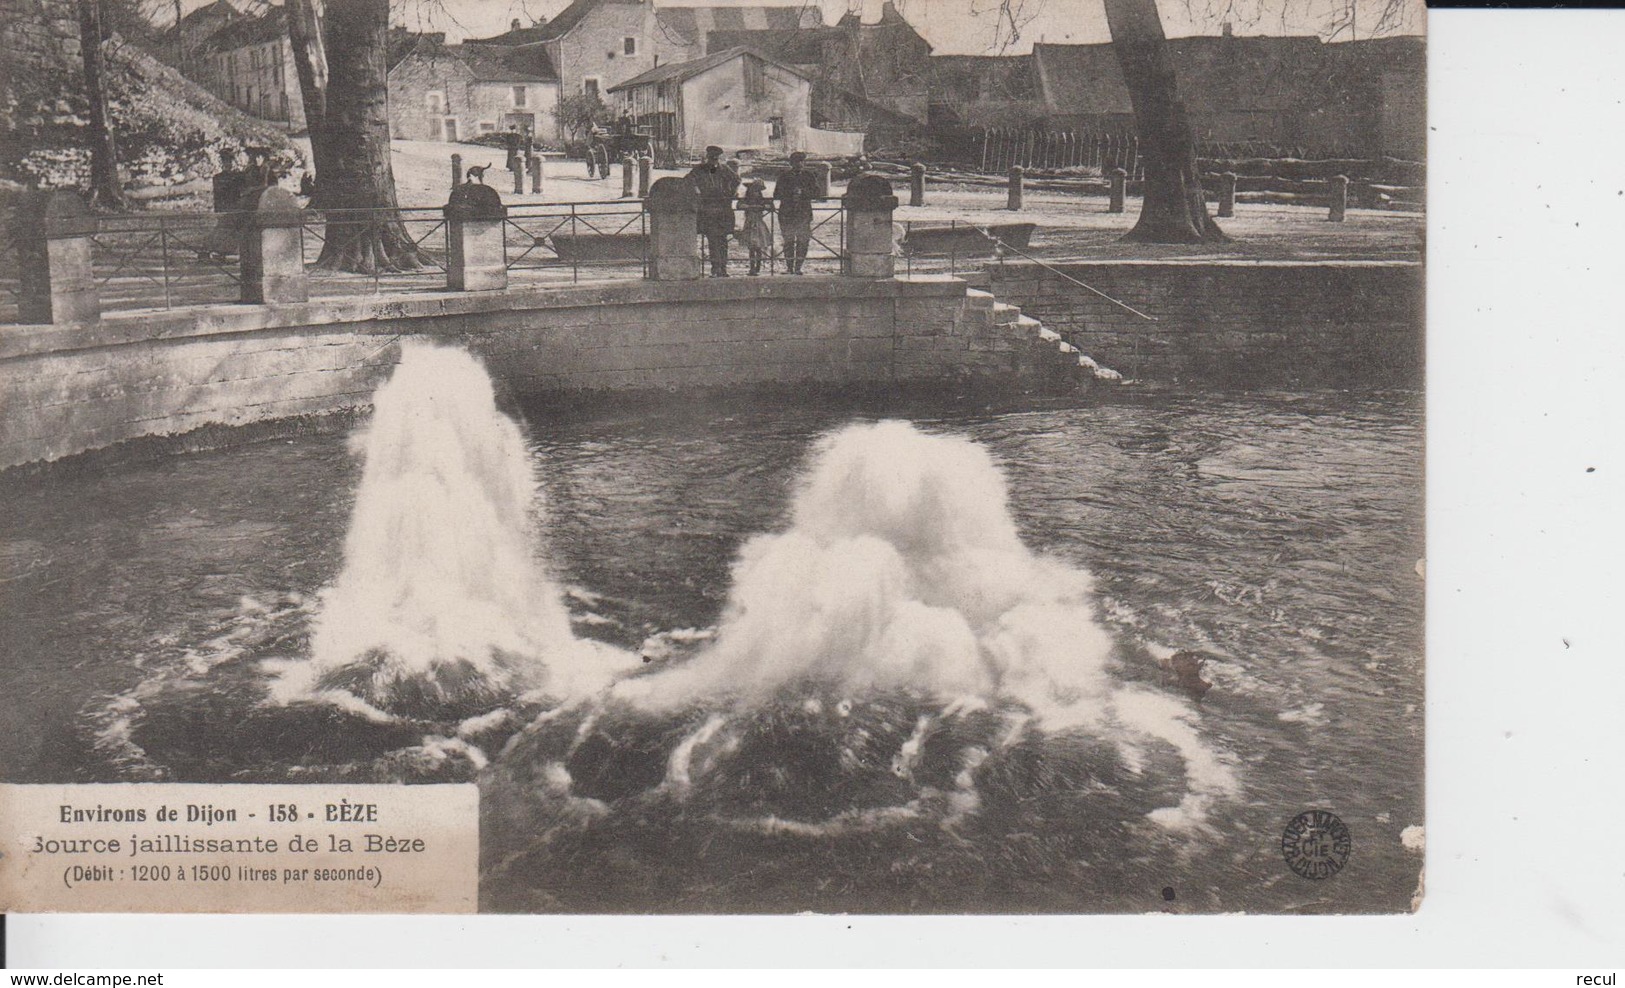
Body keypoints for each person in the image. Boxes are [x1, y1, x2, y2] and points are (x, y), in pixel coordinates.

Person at [687, 145, 739, 277]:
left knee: (723, 240)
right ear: (707, 158)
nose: (713, 162)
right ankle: (716, 268)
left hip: (723, 210)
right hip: (707, 210)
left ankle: (723, 268)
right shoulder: (699, 170)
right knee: (713, 240)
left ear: (718, 159)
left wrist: (731, 193)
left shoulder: (724, 169)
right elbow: (688, 181)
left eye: (715, 159)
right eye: (711, 159)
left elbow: (737, 180)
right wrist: (696, 191)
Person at [773, 150, 817, 274]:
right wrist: (790, 193)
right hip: (787, 214)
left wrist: (803, 193)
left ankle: (798, 267)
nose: (799, 164)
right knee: (788, 241)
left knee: (803, 241)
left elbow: (817, 193)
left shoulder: (809, 176)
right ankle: (789, 267)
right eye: (796, 162)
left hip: (803, 214)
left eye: (802, 161)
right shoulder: (784, 176)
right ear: (791, 163)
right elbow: (776, 194)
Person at [739, 178, 772, 276]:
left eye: (758, 190)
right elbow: (739, 205)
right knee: (752, 247)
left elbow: (770, 206)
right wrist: (749, 207)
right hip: (750, 223)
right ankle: (752, 268)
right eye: (754, 190)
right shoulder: (746, 199)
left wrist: (764, 206)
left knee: (758, 247)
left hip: (758, 223)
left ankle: (757, 267)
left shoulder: (761, 200)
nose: (756, 193)